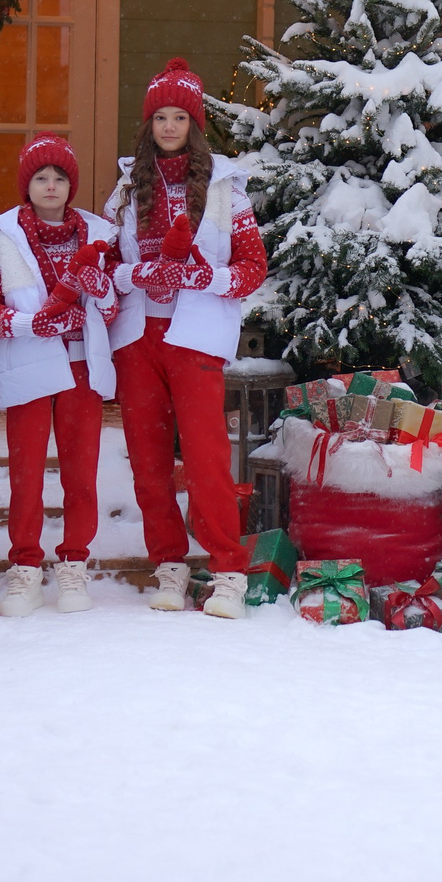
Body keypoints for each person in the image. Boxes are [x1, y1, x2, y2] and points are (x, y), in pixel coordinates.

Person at [108, 58, 267, 618]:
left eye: (180, 117)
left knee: (205, 460)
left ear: (194, 125)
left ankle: (227, 570)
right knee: (149, 465)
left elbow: (252, 268)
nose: (169, 127)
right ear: (149, 125)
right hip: (137, 339)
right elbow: (105, 266)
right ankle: (169, 566)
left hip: (195, 336)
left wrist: (206, 277)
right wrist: (135, 275)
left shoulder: (227, 192)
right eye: (160, 117)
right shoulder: (128, 187)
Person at [0, 133, 119, 617]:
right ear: (26, 186)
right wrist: (33, 323)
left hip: (80, 367)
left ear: (70, 187)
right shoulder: (4, 245)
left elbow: (114, 308)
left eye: (59, 178)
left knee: (81, 472)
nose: (50, 186)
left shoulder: (97, 242)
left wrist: (103, 292)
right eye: (40, 177)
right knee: (27, 474)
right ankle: (25, 568)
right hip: (31, 367)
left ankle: (74, 562)